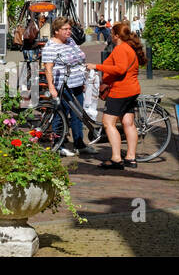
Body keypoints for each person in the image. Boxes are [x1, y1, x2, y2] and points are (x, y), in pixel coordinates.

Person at [88, 20, 146, 169]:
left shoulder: (121, 49)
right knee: (128, 123)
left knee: (108, 123)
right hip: (132, 89)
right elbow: (113, 65)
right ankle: (131, 158)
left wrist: (96, 66)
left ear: (115, 35)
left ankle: (116, 158)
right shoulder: (128, 48)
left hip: (121, 91)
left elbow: (119, 69)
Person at [42, 17, 89, 157]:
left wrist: (83, 81)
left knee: (78, 115)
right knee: (60, 115)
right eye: (65, 29)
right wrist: (51, 88)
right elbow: (48, 69)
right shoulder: (50, 47)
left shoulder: (71, 41)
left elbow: (79, 60)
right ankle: (59, 145)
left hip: (77, 83)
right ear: (56, 31)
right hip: (63, 86)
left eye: (69, 29)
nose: (69, 31)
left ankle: (79, 144)